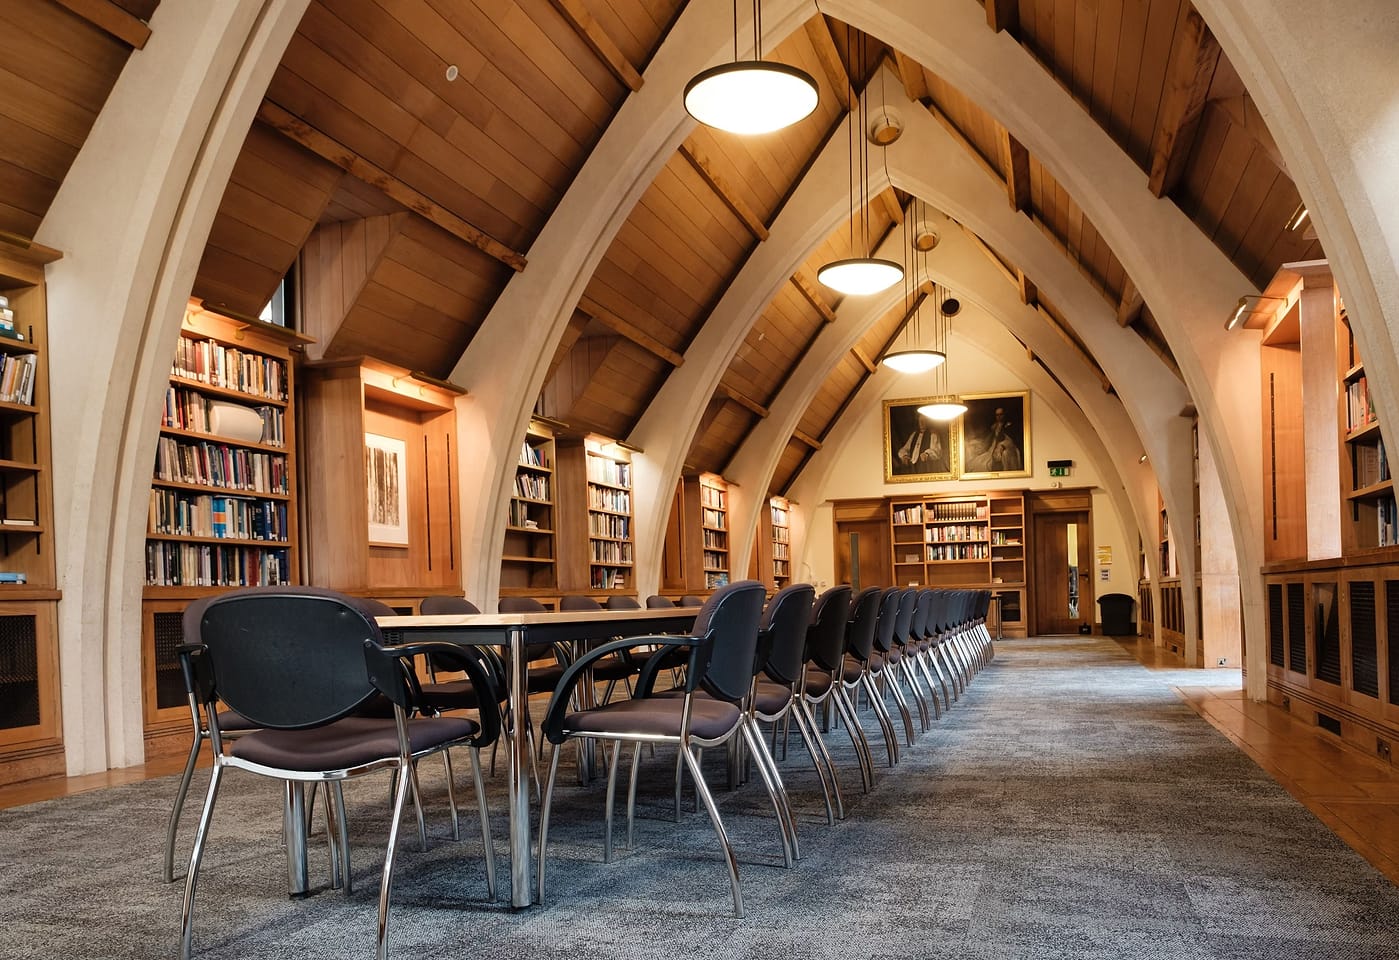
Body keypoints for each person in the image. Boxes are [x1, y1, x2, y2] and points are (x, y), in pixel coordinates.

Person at [967, 405, 1023, 473]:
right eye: (997, 415)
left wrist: (1002, 446)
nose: (999, 417)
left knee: (987, 464)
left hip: (1006, 447)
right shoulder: (994, 426)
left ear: (1004, 415)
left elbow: (1011, 441)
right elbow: (989, 437)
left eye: (1001, 414)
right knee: (977, 463)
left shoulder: (1008, 425)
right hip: (993, 447)